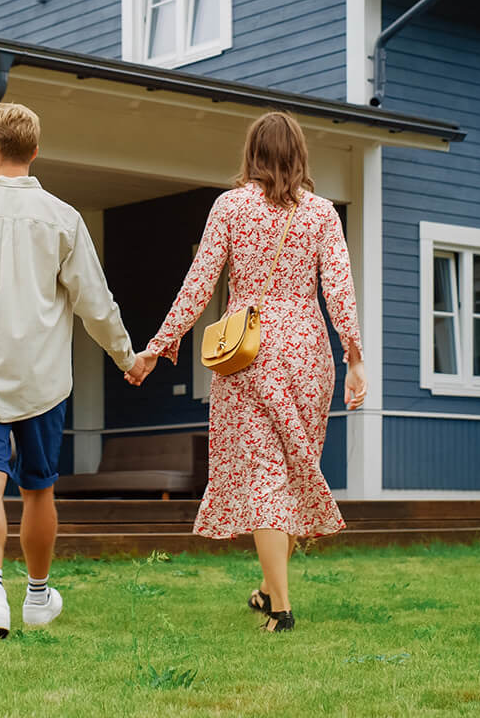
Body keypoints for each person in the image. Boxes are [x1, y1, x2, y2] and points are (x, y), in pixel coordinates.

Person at [126, 111, 368, 633]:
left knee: (266, 477)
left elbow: (199, 283)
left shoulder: (231, 207)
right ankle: (268, 590)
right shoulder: (323, 213)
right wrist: (354, 359)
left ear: (253, 153)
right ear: (299, 154)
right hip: (308, 351)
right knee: (290, 474)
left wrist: (157, 347)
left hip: (248, 350)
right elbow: (340, 291)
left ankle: (281, 610)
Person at [0, 102, 136, 638]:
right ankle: (37, 598)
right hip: (42, 379)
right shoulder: (63, 218)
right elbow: (96, 303)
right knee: (39, 489)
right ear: (35, 152)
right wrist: (127, 358)